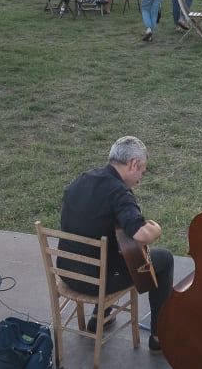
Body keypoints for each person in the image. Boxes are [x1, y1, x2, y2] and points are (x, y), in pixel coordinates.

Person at [58, 136, 177, 350]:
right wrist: (156, 228)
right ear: (133, 164)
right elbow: (140, 234)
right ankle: (160, 336)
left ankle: (99, 316)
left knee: (107, 250)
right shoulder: (119, 192)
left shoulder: (82, 179)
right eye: (143, 170)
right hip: (97, 282)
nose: (141, 177)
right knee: (165, 259)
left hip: (67, 271)